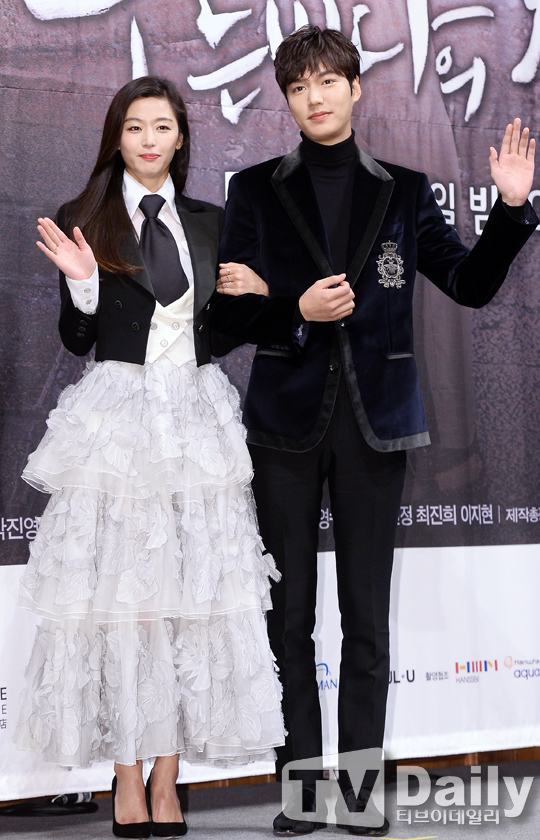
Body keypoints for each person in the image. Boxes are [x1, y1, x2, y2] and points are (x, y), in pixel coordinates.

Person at [209, 25, 537, 837]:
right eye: (298, 87)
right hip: (283, 427)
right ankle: (303, 793)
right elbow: (225, 320)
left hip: (375, 427)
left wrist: (510, 210)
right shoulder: (254, 190)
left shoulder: (404, 190)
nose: (314, 97)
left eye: (327, 81)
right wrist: (293, 309)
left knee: (366, 620)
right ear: (286, 100)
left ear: (356, 88)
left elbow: (468, 283)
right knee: (288, 620)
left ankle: (356, 793)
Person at [13, 76, 284, 839]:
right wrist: (85, 289)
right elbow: (76, 340)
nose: (148, 140)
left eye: (161, 126)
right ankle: (126, 778)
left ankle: (168, 782)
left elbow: (219, 332)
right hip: (120, 421)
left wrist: (255, 295)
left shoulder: (211, 221)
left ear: (181, 137)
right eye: (134, 127)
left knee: (186, 604)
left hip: (194, 421)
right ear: (117, 138)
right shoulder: (86, 218)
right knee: (124, 606)